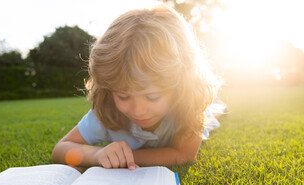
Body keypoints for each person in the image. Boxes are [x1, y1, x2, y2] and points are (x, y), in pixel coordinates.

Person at [52, 5, 226, 172]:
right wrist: (98, 154)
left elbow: (183, 154)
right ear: (108, 89)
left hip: (195, 110)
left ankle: (217, 107)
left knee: (211, 115)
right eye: (123, 96)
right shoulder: (107, 111)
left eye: (152, 97)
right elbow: (61, 149)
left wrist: (127, 157)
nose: (138, 111)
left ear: (180, 85)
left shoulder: (189, 106)